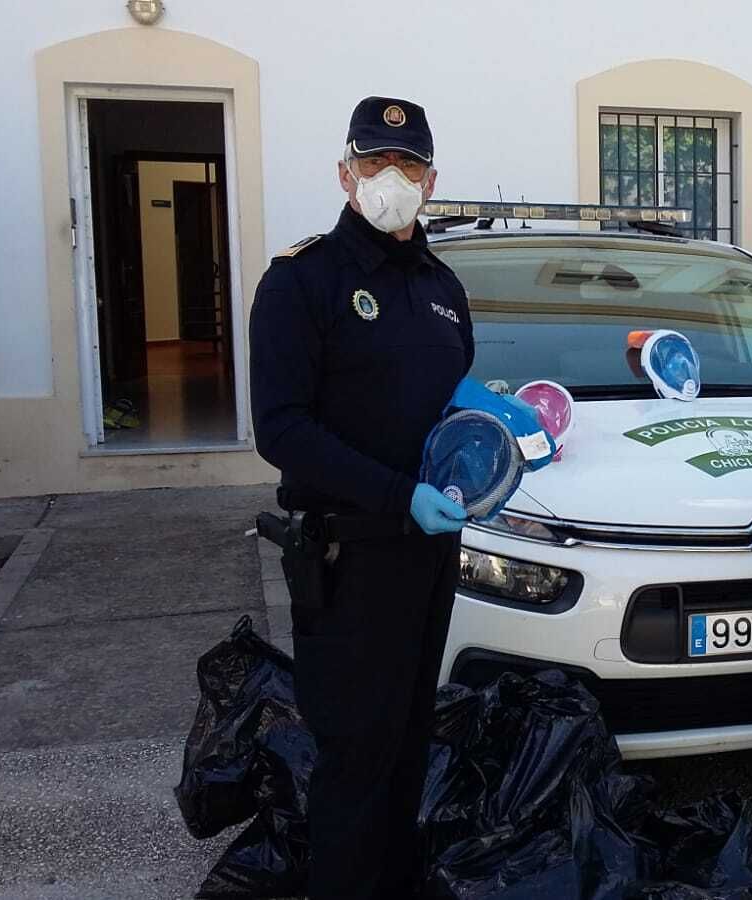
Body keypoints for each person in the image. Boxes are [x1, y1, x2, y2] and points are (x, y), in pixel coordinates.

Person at [249, 96, 476, 898]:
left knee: (411, 740)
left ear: (432, 179)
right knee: (354, 755)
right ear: (345, 174)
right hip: (347, 558)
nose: (392, 178)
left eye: (408, 164)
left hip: (428, 554)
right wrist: (397, 494)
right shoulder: (301, 281)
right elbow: (280, 427)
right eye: (375, 161)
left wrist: (496, 434)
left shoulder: (444, 286)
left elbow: (452, 404)